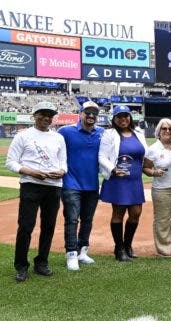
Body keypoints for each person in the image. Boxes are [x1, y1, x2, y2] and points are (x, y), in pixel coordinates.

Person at [6, 101, 67, 282]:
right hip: (31, 184)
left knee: (48, 227)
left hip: (53, 186)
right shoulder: (22, 136)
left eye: (50, 115)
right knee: (25, 226)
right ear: (34, 115)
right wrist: (31, 171)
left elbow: (63, 162)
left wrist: (62, 171)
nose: (46, 118)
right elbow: (11, 162)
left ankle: (42, 262)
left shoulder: (58, 138)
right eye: (42, 114)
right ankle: (21, 265)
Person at [58, 101, 104, 271]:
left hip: (92, 185)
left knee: (87, 220)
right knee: (71, 219)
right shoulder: (65, 131)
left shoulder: (102, 133)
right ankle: (71, 253)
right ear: (80, 113)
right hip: (71, 184)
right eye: (87, 113)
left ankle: (82, 251)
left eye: (94, 113)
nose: (91, 116)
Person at [98, 105, 149, 262]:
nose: (123, 119)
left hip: (134, 180)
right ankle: (119, 249)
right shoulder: (109, 134)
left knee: (135, 214)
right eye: (119, 116)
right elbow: (102, 156)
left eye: (125, 116)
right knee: (118, 214)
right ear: (114, 119)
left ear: (130, 117)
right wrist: (113, 169)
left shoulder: (138, 133)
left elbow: (146, 154)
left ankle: (127, 245)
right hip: (118, 179)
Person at [144, 118, 171, 257]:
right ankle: (163, 249)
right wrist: (154, 172)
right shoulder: (153, 149)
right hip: (162, 189)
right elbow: (146, 168)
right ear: (158, 131)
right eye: (164, 128)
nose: (167, 131)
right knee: (162, 220)